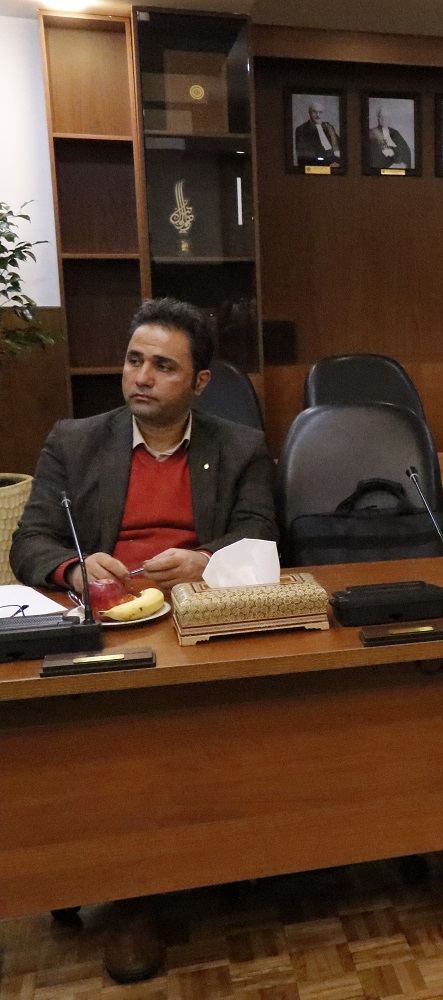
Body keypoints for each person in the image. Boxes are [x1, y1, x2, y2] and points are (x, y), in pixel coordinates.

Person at [8, 296, 278, 984]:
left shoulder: (239, 446)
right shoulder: (74, 441)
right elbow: (30, 542)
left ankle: (226, 850)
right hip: (104, 627)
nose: (142, 377)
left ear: (200, 381)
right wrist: (75, 569)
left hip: (198, 618)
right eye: (134, 361)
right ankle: (134, 893)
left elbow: (261, 532)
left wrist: (205, 560)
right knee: (121, 731)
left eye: (163, 366)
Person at [292, 101, 342, 168]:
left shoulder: (328, 127)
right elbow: (305, 157)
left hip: (335, 164)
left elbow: (340, 147)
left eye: (320, 112)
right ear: (309, 113)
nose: (318, 115)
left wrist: (339, 163)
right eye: (314, 112)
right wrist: (327, 166)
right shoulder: (302, 129)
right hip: (318, 167)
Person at [365, 106, 413, 171]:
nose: (382, 120)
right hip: (383, 167)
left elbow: (406, 150)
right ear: (378, 119)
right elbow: (373, 154)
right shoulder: (371, 132)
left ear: (389, 119)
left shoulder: (395, 133)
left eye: (385, 117)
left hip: (398, 166)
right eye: (380, 117)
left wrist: (403, 163)